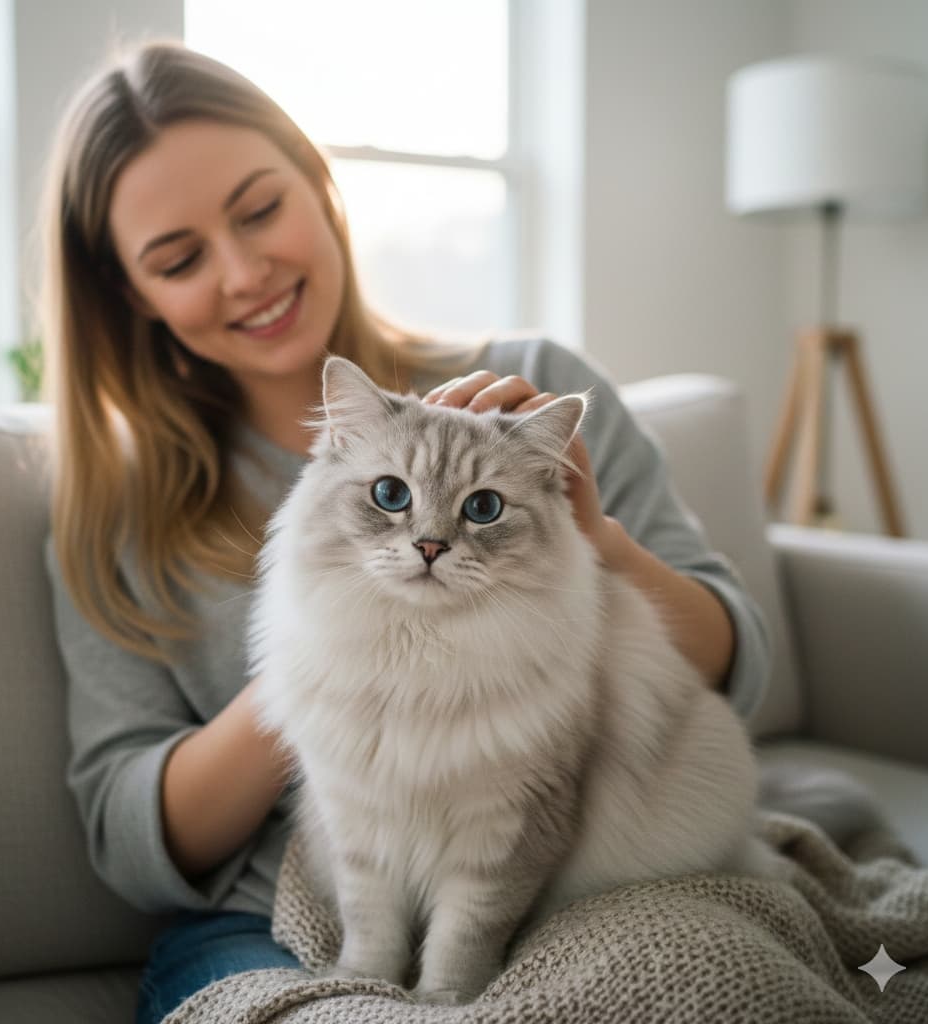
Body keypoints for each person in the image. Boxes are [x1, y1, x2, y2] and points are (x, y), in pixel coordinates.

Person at [40, 41, 771, 1024]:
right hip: (268, 915)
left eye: (259, 210)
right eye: (179, 259)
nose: (245, 272)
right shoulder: (118, 509)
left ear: (319, 184)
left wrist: (591, 546)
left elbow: (735, 662)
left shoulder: (536, 387)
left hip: (556, 878)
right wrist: (322, 668)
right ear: (131, 291)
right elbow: (127, 838)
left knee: (717, 988)